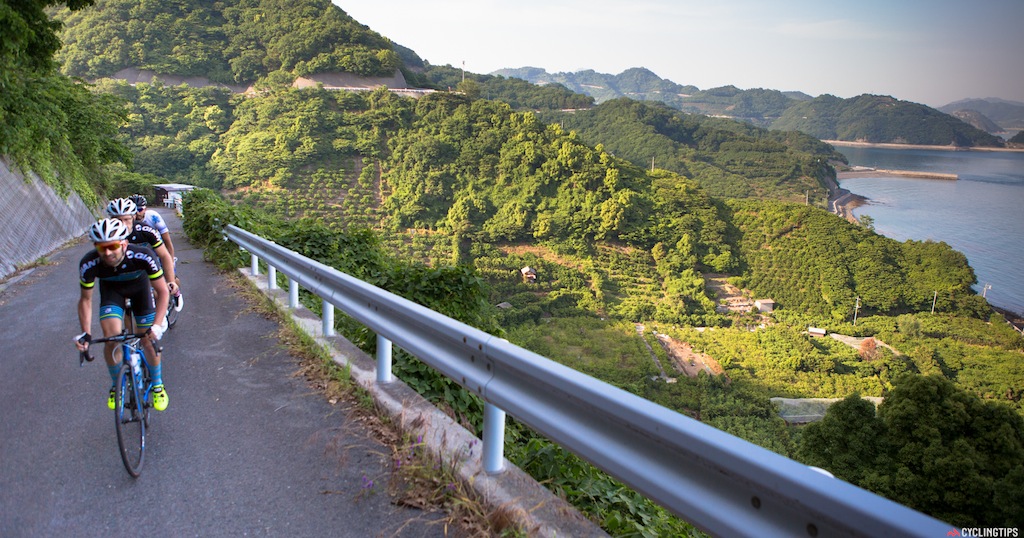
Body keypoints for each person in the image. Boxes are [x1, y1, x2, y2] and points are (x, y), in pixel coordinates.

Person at [74, 218, 170, 411]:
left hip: (140, 289)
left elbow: (163, 292)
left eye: (112, 246)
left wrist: (157, 325)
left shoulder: (143, 255)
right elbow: (85, 300)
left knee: (147, 339)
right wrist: (85, 333)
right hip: (112, 293)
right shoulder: (89, 263)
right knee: (112, 339)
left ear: (124, 243)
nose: (107, 252)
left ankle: (158, 384)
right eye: (102, 248)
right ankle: (116, 385)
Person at [106, 198, 178, 301]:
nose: (122, 224)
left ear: (133, 217)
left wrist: (171, 280)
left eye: (126, 219)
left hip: (151, 257)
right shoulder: (107, 235)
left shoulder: (147, 227)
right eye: (118, 220)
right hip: (129, 264)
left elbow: (164, 253)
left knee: (158, 292)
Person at [130, 194, 183, 311]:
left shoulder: (153, 217)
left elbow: (167, 242)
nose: (137, 213)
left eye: (140, 209)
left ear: (145, 208)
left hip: (157, 248)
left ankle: (176, 292)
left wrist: (171, 259)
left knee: (170, 276)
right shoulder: (128, 222)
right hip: (141, 251)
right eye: (134, 210)